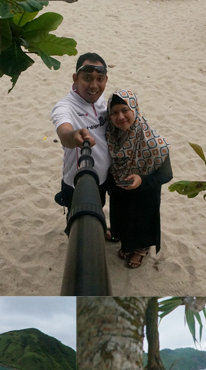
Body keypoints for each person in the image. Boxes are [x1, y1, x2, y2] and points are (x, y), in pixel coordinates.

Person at [106, 90, 172, 269]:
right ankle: (125, 242)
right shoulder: (112, 136)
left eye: (125, 110)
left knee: (141, 222)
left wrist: (142, 180)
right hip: (120, 191)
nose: (120, 117)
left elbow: (166, 174)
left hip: (145, 194)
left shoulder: (153, 142)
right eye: (114, 112)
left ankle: (141, 249)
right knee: (120, 218)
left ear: (135, 109)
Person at [51, 53, 112, 216]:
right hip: (77, 182)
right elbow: (64, 133)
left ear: (106, 80)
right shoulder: (64, 107)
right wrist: (73, 136)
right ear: (75, 78)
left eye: (100, 79)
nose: (94, 86)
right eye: (87, 78)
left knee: (98, 212)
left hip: (103, 178)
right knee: (78, 222)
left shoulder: (100, 98)